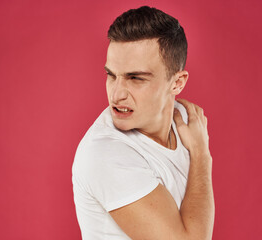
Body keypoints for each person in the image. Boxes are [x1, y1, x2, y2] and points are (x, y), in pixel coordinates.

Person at [72, 6, 214, 240]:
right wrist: (201, 154)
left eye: (135, 78)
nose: (116, 95)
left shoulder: (185, 123)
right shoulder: (105, 152)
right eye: (111, 75)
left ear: (177, 83)